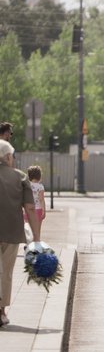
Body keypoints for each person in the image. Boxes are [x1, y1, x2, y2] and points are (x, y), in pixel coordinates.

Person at [0, 140, 40, 327]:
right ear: (8, 156)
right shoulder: (20, 177)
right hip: (11, 232)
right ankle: (1, 312)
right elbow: (30, 208)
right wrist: (37, 238)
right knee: (6, 272)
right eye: (13, 156)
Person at [26, 165, 46, 241]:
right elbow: (41, 199)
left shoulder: (27, 185)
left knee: (28, 230)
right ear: (39, 176)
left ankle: (29, 244)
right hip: (38, 210)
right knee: (37, 230)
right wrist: (44, 210)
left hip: (27, 210)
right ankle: (37, 243)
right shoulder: (40, 187)